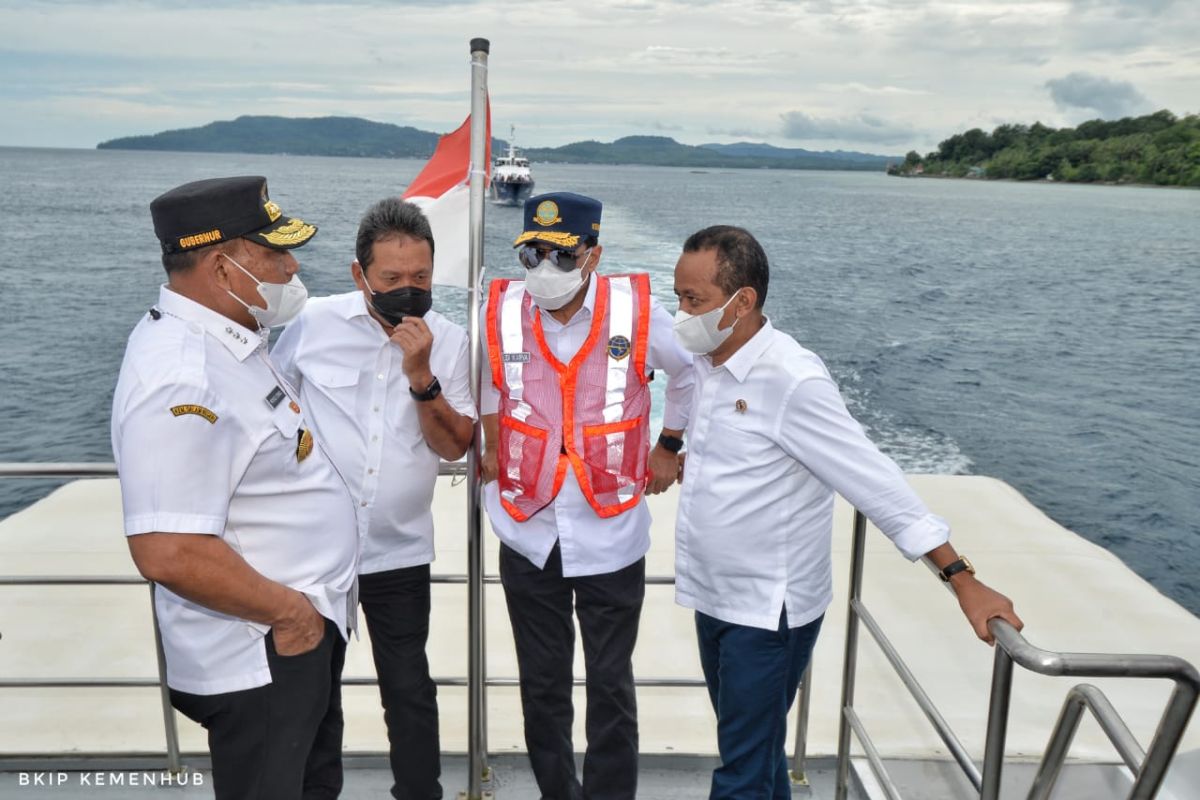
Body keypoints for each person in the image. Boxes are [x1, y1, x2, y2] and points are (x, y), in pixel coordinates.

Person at [669, 225, 1025, 799]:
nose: (681, 312)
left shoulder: (791, 379)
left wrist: (962, 579)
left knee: (739, 773)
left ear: (743, 302)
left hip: (768, 612)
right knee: (755, 757)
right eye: (679, 296)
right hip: (715, 597)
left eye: (695, 300)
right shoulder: (709, 364)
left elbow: (875, 481)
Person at [111, 176, 359, 799]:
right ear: (223, 267)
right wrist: (292, 615)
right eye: (274, 252)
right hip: (260, 651)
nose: (292, 264)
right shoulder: (182, 377)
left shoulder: (231, 342)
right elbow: (168, 550)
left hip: (290, 636)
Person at [479, 192, 695, 800]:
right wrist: (492, 441)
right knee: (542, 685)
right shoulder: (499, 312)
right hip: (529, 530)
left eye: (562, 257)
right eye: (533, 256)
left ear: (594, 255)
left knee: (609, 685)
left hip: (611, 531)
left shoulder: (638, 314)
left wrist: (670, 444)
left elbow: (690, 374)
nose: (544, 270)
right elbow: (491, 384)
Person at [272, 197, 475, 800]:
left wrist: (422, 375)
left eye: (420, 278)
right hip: (314, 550)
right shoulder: (315, 323)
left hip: (398, 548)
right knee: (311, 691)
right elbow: (275, 407)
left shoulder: (452, 341)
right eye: (392, 279)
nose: (407, 290)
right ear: (360, 275)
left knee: (409, 689)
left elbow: (454, 444)